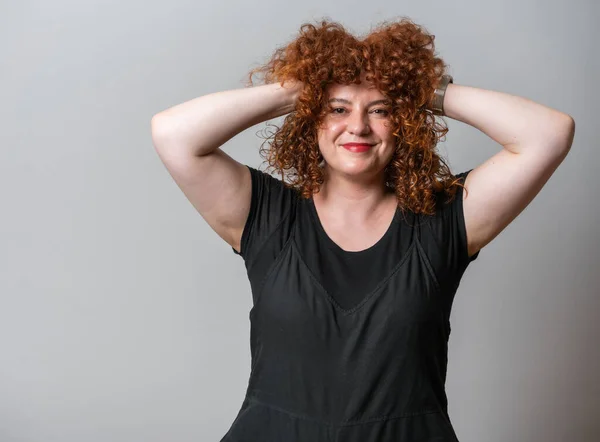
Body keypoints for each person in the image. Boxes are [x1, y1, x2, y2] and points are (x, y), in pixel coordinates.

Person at [150, 18, 574, 442]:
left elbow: (549, 134)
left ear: (405, 122)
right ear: (311, 119)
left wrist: (420, 89)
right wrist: (299, 89)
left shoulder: (442, 221)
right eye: (337, 109)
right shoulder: (266, 216)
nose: (358, 126)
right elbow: (173, 134)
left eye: (381, 109)